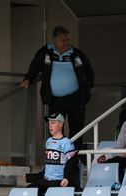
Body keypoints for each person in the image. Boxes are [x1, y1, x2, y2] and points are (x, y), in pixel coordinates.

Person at [20, 26, 94, 157]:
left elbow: (88, 71)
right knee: (55, 128)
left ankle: (74, 158)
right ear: (54, 39)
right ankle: (57, 155)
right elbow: (34, 67)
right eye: (63, 40)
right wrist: (27, 79)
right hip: (55, 99)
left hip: (76, 98)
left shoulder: (76, 53)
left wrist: (87, 88)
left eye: (68, 40)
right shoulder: (45, 52)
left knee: (77, 128)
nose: (66, 43)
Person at [26, 113, 78, 196]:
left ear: (61, 124)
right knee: (28, 191)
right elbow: (48, 165)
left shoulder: (67, 143)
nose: (50, 126)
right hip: (46, 180)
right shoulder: (48, 141)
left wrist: (67, 178)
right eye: (49, 123)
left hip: (58, 181)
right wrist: (31, 177)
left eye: (53, 123)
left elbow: (72, 163)